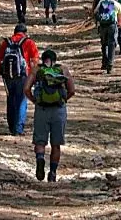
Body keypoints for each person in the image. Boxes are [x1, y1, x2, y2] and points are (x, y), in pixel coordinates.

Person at [23, 50, 76, 182]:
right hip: (59, 109)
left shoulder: (37, 70)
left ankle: (40, 158)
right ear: (55, 60)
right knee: (56, 144)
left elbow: (26, 89)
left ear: (43, 59)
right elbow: (72, 90)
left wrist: (35, 101)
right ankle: (52, 172)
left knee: (40, 141)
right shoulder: (62, 69)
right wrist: (63, 100)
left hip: (42, 109)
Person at [0, 24, 40, 135]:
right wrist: (35, 77)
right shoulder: (29, 42)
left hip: (8, 76)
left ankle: (11, 126)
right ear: (25, 33)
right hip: (23, 76)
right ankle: (18, 129)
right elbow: (34, 61)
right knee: (21, 100)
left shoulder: (6, 42)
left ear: (14, 32)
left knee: (10, 100)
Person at [94, 0, 121, 73]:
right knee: (112, 44)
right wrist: (119, 25)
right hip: (112, 26)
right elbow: (120, 18)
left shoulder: (102, 2)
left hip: (102, 26)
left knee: (104, 44)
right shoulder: (117, 4)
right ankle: (110, 65)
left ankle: (104, 62)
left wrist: (98, 21)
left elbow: (95, 12)